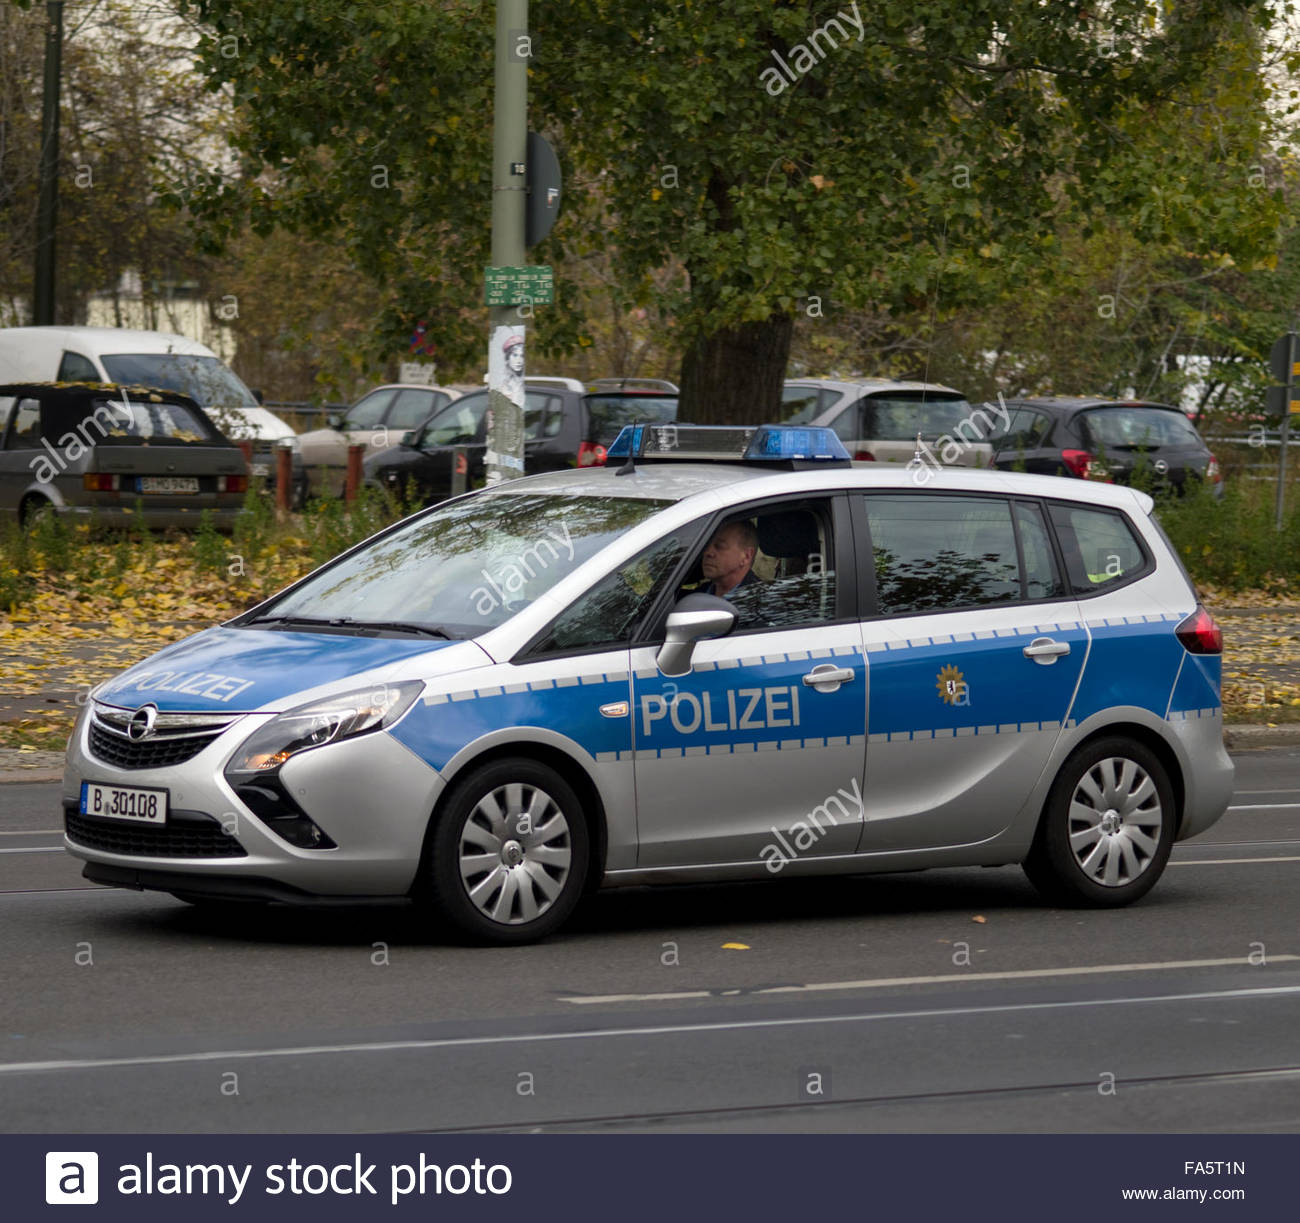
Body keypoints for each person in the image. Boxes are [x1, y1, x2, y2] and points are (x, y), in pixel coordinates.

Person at [694, 520, 760, 599]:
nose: (707, 552)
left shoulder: (760, 604)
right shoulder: (692, 597)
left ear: (746, 556)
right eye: (706, 545)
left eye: (720, 546)